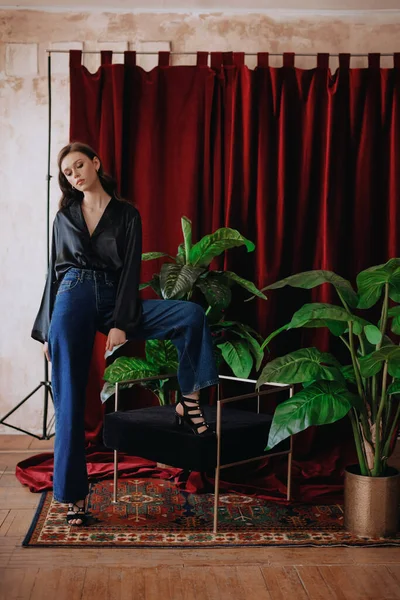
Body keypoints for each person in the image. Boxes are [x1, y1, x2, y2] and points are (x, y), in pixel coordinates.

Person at [31, 142, 219, 526]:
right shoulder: (64, 216)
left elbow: (131, 270)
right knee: (68, 399)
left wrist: (120, 322)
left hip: (114, 298)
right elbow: (54, 272)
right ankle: (73, 497)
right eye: (68, 173)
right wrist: (47, 329)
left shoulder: (127, 214)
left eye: (80, 165)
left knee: (191, 314)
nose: (75, 175)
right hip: (71, 296)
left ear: (96, 163)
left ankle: (189, 400)